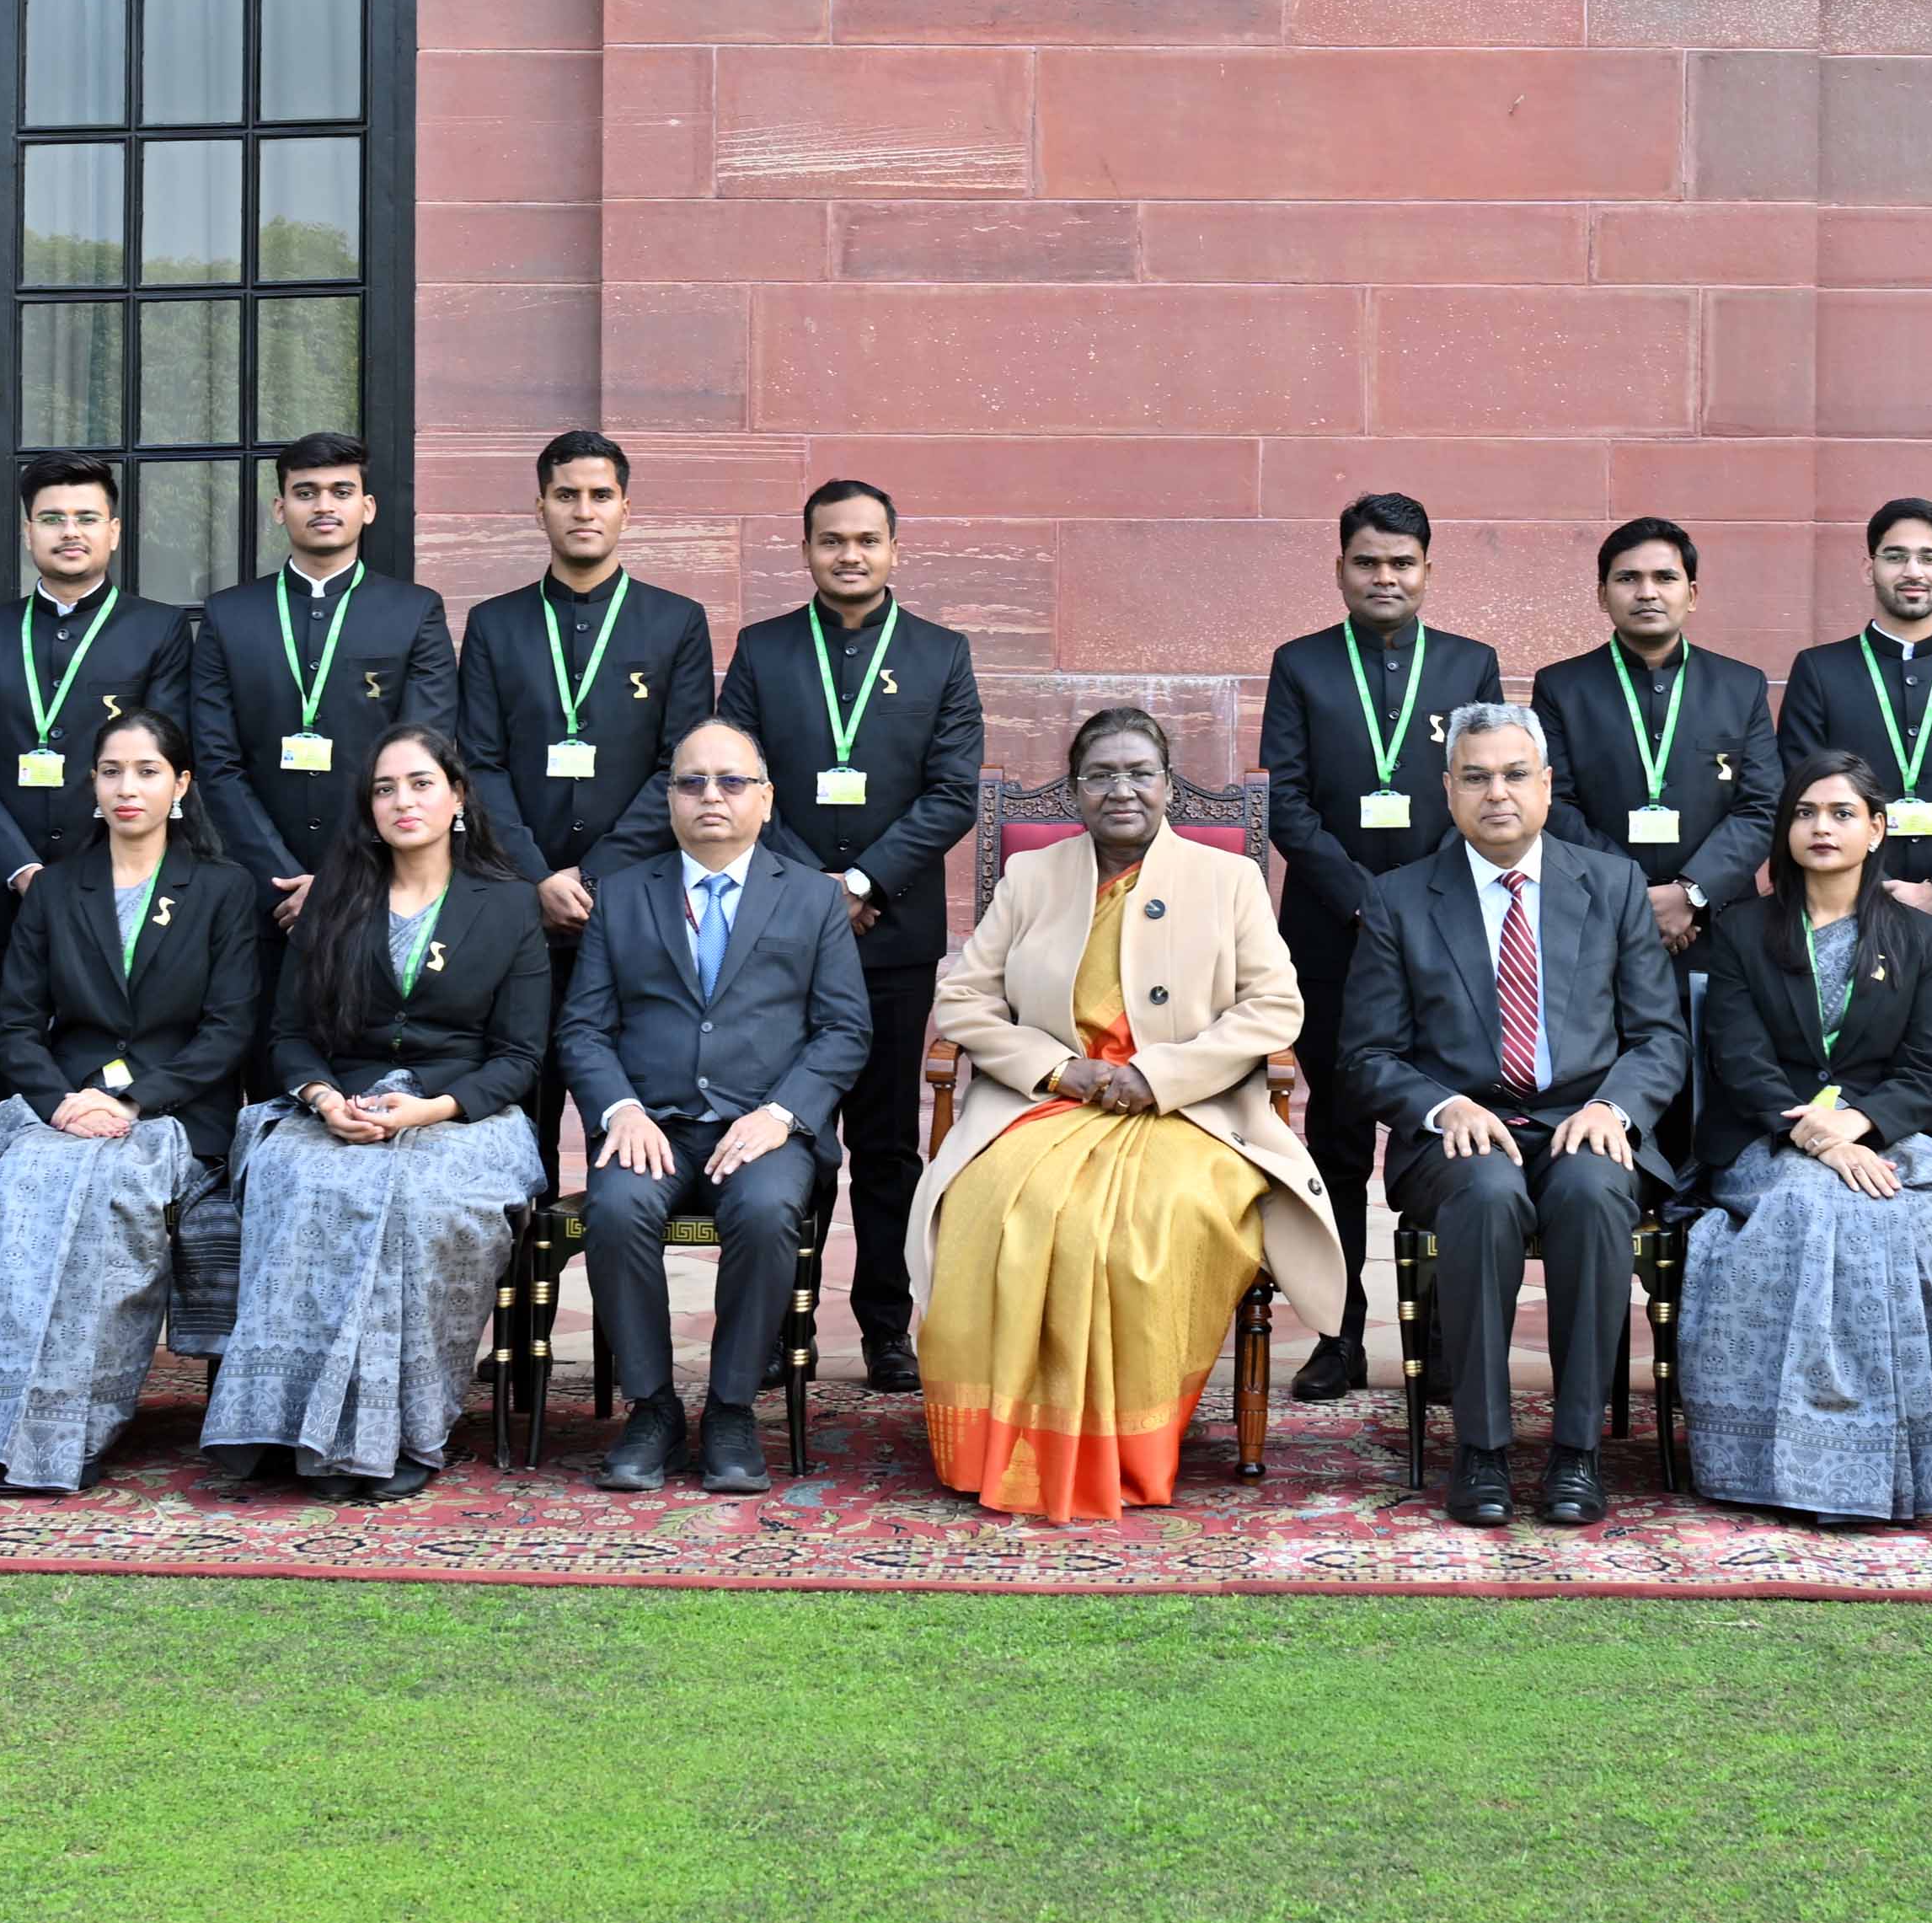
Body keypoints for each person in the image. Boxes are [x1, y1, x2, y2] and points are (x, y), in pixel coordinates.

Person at [916, 709, 1343, 1524]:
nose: (1122, 790)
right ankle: (1001, 1444)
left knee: (1147, 1225)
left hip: (1192, 1115)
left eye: (1139, 773)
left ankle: (1126, 1447)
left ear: (1168, 785)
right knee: (998, 1209)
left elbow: (1273, 1009)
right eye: (1101, 775)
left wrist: (1161, 1074)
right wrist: (1055, 1067)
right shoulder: (1033, 879)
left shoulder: (1229, 883)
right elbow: (962, 999)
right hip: (1050, 1105)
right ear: (1076, 790)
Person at [1331, 703, 1686, 1530]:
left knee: (1596, 1192)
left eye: (1515, 774)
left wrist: (1615, 1107)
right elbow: (1365, 1056)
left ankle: (1575, 1453)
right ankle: (1482, 1451)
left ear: (1547, 785)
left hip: (1580, 1120)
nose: (1498, 793)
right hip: (1458, 1131)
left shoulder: (1615, 884)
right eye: (1478, 776)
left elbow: (1661, 1036)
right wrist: (1441, 1103)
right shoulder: (1398, 900)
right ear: (1448, 788)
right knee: (1488, 1192)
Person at [204, 722, 554, 1499]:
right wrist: (326, 1101)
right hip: (340, 1104)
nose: (404, 801)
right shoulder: (332, 899)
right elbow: (290, 1035)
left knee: (417, 1203)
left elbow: (519, 1059)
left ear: (458, 796)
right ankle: (285, 1426)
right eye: (386, 788)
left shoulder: (507, 905)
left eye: (422, 783)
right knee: (311, 1187)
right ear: (366, 809)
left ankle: (399, 1432)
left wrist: (427, 1111)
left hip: (462, 1117)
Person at [1672, 754, 1932, 1532]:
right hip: (1767, 1138)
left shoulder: (1921, 938)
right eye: (1807, 812)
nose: (1823, 827)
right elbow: (1740, 1061)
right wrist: (1822, 1140)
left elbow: (1928, 1069)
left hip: (1884, 1135)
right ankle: (1797, 1455)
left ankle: (1914, 1450)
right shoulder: (1744, 931)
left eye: (1843, 813)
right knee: (1822, 1209)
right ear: (1784, 831)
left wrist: (1861, 1126)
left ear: (1877, 829)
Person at [0, 707, 260, 1492]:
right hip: (62, 1109)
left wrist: (135, 1104)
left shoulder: (223, 889)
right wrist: (61, 1104)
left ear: (180, 785)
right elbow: (14, 1027)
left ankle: (73, 1427)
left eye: (148, 772)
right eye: (113, 771)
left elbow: (227, 1033)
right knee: (21, 1189)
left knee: (104, 1197)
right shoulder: (55, 891)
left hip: (175, 1115)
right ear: (92, 784)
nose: (129, 788)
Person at [718, 476, 987, 1396]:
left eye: (867, 540)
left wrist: (864, 881)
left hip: (892, 937)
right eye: (832, 541)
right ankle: (766, 1325)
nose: (850, 556)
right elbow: (739, 778)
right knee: (784, 1134)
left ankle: (883, 1330)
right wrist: (811, 889)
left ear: (894, 549)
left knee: (882, 1145)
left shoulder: (941, 654)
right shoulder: (762, 651)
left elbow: (953, 791)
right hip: (779, 934)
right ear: (806, 550)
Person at [556, 720, 872, 1495]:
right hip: (651, 1125)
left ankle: (731, 1409)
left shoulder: (811, 899)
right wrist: (619, 1111)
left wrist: (781, 1116)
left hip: (763, 1132)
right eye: (692, 782)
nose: (711, 797)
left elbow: (844, 1029)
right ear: (669, 800)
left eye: (732, 782)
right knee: (617, 1207)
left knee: (767, 1216)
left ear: (765, 800)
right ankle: (653, 1410)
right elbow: (584, 1028)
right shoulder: (624, 894)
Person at [1260, 490, 1506, 1399]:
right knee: (1332, 1136)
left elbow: (1485, 793)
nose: (1385, 578)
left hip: (1444, 934)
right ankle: (1338, 1335)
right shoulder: (1303, 666)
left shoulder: (1471, 663)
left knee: (1446, 1124)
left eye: (1402, 563)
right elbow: (1285, 802)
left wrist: (1411, 901)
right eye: (1367, 562)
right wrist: (1366, 898)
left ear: (1428, 571)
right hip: (1331, 932)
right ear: (1341, 570)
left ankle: (1439, 1337)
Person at [453, 429, 718, 1021]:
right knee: (523, 1085)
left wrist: (596, 875)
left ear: (625, 508)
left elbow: (683, 767)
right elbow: (478, 764)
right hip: (516, 896)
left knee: (631, 1093)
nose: (583, 510)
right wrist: (538, 876)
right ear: (540, 507)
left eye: (600, 495)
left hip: (639, 895)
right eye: (566, 495)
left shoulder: (677, 623)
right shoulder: (494, 624)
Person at [191, 429, 458, 935]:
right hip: (258, 889)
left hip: (379, 879)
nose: (323, 506)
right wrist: (283, 874)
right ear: (279, 507)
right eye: (306, 492)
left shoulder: (415, 612)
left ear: (368, 507)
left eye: (341, 491)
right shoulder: (229, 616)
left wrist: (341, 877)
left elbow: (424, 754)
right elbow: (215, 761)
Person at [0, 454, 203, 962]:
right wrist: (20, 868)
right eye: (52, 519)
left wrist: (96, 866)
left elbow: (165, 762)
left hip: (123, 881)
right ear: (27, 532)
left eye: (86, 518)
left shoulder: (159, 630)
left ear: (114, 531)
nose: (70, 532)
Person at [1534, 516, 1783, 983]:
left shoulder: (1740, 686)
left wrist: (1690, 893)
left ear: (1692, 593)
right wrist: (1635, 896)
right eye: (1628, 578)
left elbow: (1763, 806)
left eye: (1665, 578)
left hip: (1721, 922)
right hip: (1597, 920)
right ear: (1602, 594)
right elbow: (1553, 803)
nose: (1647, 592)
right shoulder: (1562, 687)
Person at [1775, 497, 1932, 937]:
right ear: (1869, 569)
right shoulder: (1820, 671)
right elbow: (1797, 799)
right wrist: (1862, 892)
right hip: (1841, 916)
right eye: (1895, 556)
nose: (1913, 571)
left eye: (1929, 557)